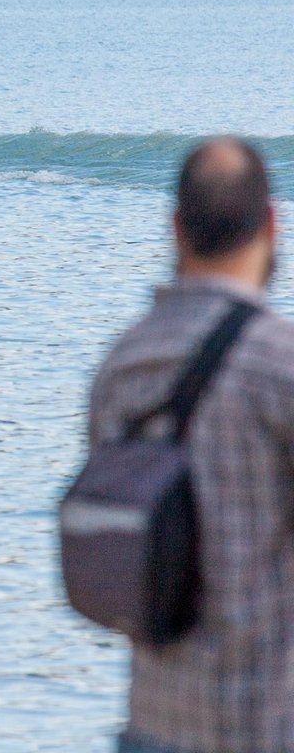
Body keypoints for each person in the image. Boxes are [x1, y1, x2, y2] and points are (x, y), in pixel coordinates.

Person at [87, 137, 294, 753]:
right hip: (263, 724)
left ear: (176, 227)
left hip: (154, 724)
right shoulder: (278, 365)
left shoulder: (122, 365)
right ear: (271, 224)